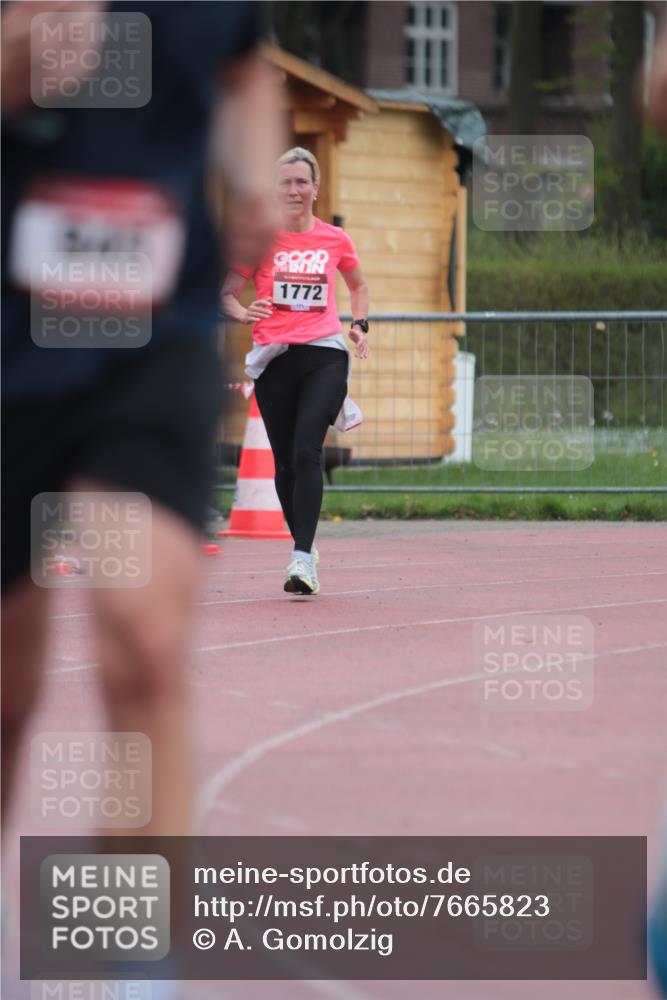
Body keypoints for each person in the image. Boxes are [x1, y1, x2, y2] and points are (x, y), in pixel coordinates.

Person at [1, 0, 283, 837]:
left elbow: (245, 67)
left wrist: (257, 177)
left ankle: (124, 953)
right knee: (7, 689)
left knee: (147, 639)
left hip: (153, 338)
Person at [221, 146, 370, 595]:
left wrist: (359, 326)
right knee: (284, 463)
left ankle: (302, 558)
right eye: (285, 182)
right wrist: (244, 311)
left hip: (324, 353)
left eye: (301, 181)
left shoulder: (334, 239)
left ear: (315, 188)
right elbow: (225, 294)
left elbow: (358, 285)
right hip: (274, 358)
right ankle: (303, 541)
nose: (293, 190)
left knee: (307, 449)